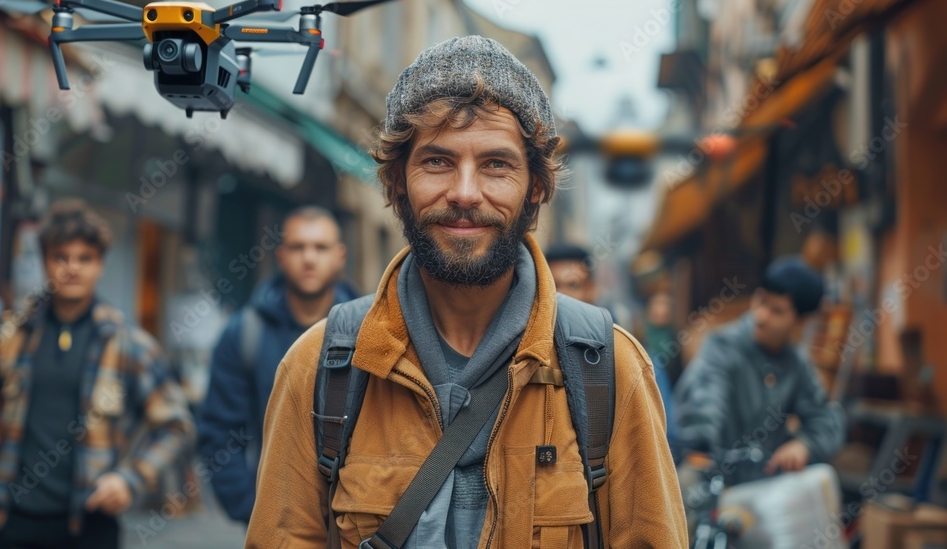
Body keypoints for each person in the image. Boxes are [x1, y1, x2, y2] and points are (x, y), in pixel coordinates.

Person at [246, 36, 686, 548]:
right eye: (437, 161)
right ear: (397, 182)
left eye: (497, 165)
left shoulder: (608, 370)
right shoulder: (320, 368)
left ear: (536, 188)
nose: (464, 193)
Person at [0, 199, 195, 549]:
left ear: (101, 264)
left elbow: (177, 426)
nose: (72, 268)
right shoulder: (12, 336)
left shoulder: (129, 344)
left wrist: (130, 480)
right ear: (46, 261)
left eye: (85, 258)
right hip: (7, 520)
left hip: (89, 525)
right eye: (61, 257)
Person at [198, 206, 357, 523]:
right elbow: (219, 432)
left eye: (320, 247)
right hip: (276, 520)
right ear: (281, 255)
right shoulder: (244, 333)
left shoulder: (371, 329)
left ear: (340, 256)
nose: (309, 258)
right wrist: (252, 509)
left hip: (358, 519)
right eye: (298, 247)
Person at [674, 256, 846, 484]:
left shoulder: (796, 365)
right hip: (714, 479)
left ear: (800, 322)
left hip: (764, 485)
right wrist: (701, 442)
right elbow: (705, 401)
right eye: (761, 301)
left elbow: (826, 419)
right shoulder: (722, 347)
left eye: (777, 311)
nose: (761, 316)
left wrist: (805, 445)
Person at [547, 244, 678, 455]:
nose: (560, 297)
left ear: (592, 289)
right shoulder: (532, 355)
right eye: (553, 286)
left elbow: (662, 434)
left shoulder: (626, 352)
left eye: (572, 285)